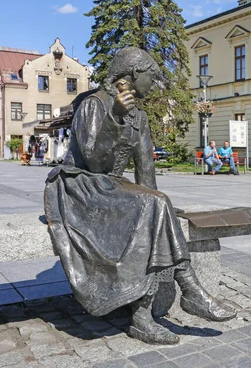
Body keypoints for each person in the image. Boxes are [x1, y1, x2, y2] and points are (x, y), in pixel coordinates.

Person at [44, 47, 236, 346]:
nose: (153, 84)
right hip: (79, 186)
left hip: (112, 188)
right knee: (152, 206)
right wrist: (116, 116)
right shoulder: (94, 104)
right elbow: (92, 160)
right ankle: (187, 291)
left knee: (155, 205)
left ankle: (151, 314)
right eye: (151, 77)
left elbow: (146, 171)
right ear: (133, 75)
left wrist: (162, 206)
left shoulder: (140, 116)